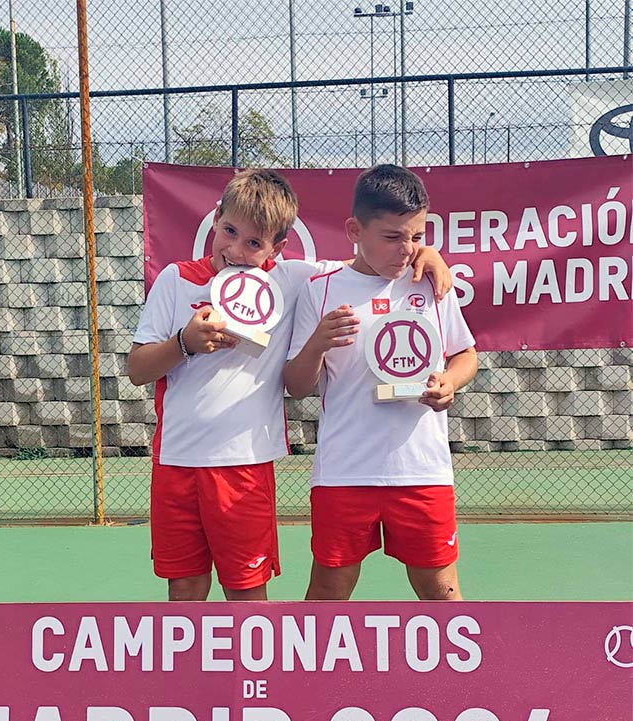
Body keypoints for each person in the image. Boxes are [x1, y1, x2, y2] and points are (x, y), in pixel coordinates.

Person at [128, 167, 453, 601]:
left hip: (246, 464)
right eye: (229, 231)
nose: (238, 250)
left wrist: (424, 255)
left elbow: (363, 264)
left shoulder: (293, 278)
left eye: (255, 243)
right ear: (215, 218)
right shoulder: (176, 279)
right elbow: (137, 369)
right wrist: (184, 343)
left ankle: (251, 673)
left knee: (246, 589)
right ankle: (191, 672)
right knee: (184, 587)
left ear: (277, 248)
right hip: (174, 461)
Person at [284, 163, 478, 601]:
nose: (406, 249)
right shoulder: (321, 290)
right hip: (344, 471)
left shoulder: (431, 284)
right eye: (392, 237)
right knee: (330, 587)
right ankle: (314, 673)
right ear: (354, 229)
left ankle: (457, 674)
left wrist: (450, 381)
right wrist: (316, 343)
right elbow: (296, 385)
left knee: (442, 590)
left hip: (422, 469)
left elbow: (466, 354)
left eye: (417, 237)